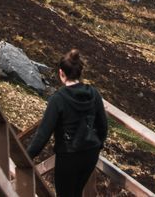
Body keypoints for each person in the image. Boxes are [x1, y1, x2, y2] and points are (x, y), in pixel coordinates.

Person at [27, 49, 108, 197]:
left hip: (68, 156)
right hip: (90, 153)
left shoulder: (58, 99)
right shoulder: (94, 93)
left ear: (61, 73)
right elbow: (103, 126)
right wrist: (97, 145)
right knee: (76, 192)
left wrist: (27, 155)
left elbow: (43, 134)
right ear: (79, 72)